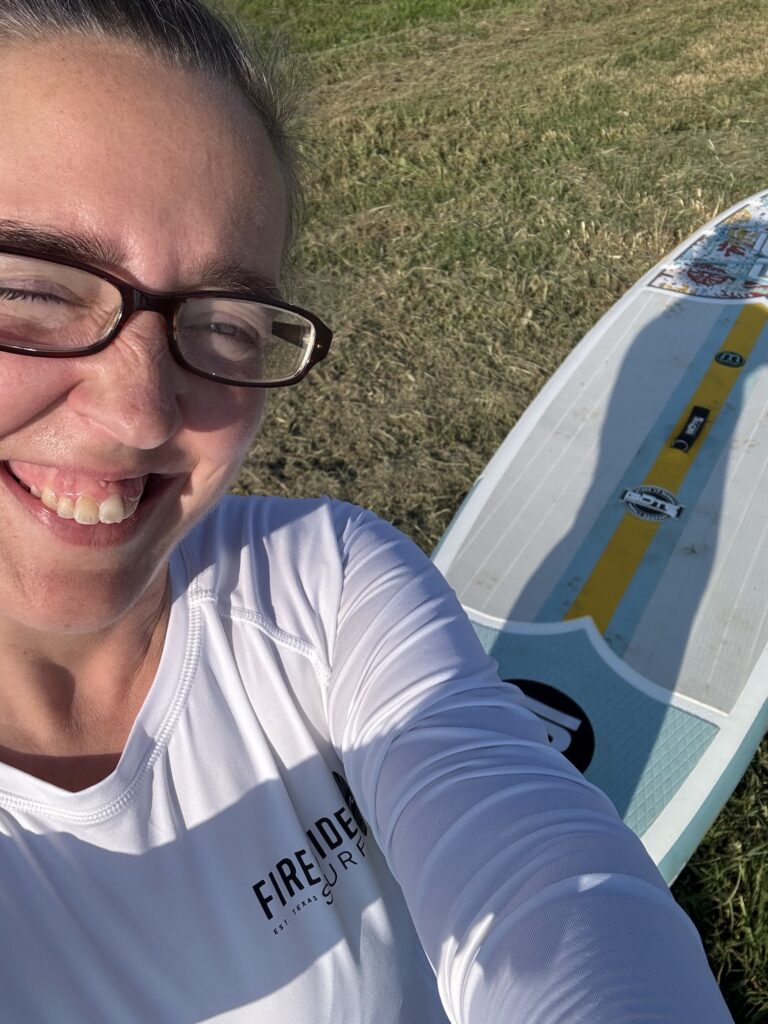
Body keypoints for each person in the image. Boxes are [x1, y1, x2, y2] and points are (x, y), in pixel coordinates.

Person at [0, 1, 734, 1021]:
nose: (137, 414)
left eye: (224, 321)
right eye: (29, 289)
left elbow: (544, 878)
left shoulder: (318, 576)